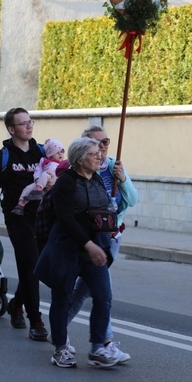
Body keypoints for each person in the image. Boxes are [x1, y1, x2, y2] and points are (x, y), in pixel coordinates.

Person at [34, 137, 120, 368]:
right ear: (80, 159)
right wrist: (89, 245)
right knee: (61, 298)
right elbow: (66, 219)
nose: (100, 156)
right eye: (94, 154)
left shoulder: (98, 180)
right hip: (67, 248)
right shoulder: (66, 183)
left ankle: (98, 348)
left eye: (99, 153)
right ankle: (60, 348)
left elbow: (105, 211)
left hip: (96, 248)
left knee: (103, 297)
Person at [65, 125, 138, 363]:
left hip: (111, 236)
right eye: (97, 144)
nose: (103, 148)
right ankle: (103, 344)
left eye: (105, 141)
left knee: (87, 289)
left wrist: (123, 179)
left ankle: (61, 329)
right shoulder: (83, 169)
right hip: (88, 239)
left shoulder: (114, 165)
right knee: (98, 290)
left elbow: (132, 201)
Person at [0, 107, 49, 342]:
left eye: (30, 122)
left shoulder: (41, 152)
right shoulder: (2, 157)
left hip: (43, 217)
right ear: (11, 129)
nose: (29, 126)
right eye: (23, 123)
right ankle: (35, 320)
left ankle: (17, 303)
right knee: (30, 264)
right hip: (17, 217)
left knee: (37, 267)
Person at [12, 138, 64, 215]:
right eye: (57, 152)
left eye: (62, 151)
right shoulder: (44, 160)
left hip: (51, 185)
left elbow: (64, 176)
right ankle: (20, 205)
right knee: (27, 188)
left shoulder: (63, 164)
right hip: (39, 182)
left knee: (45, 174)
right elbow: (38, 170)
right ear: (50, 154)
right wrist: (36, 178)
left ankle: (37, 191)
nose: (60, 154)